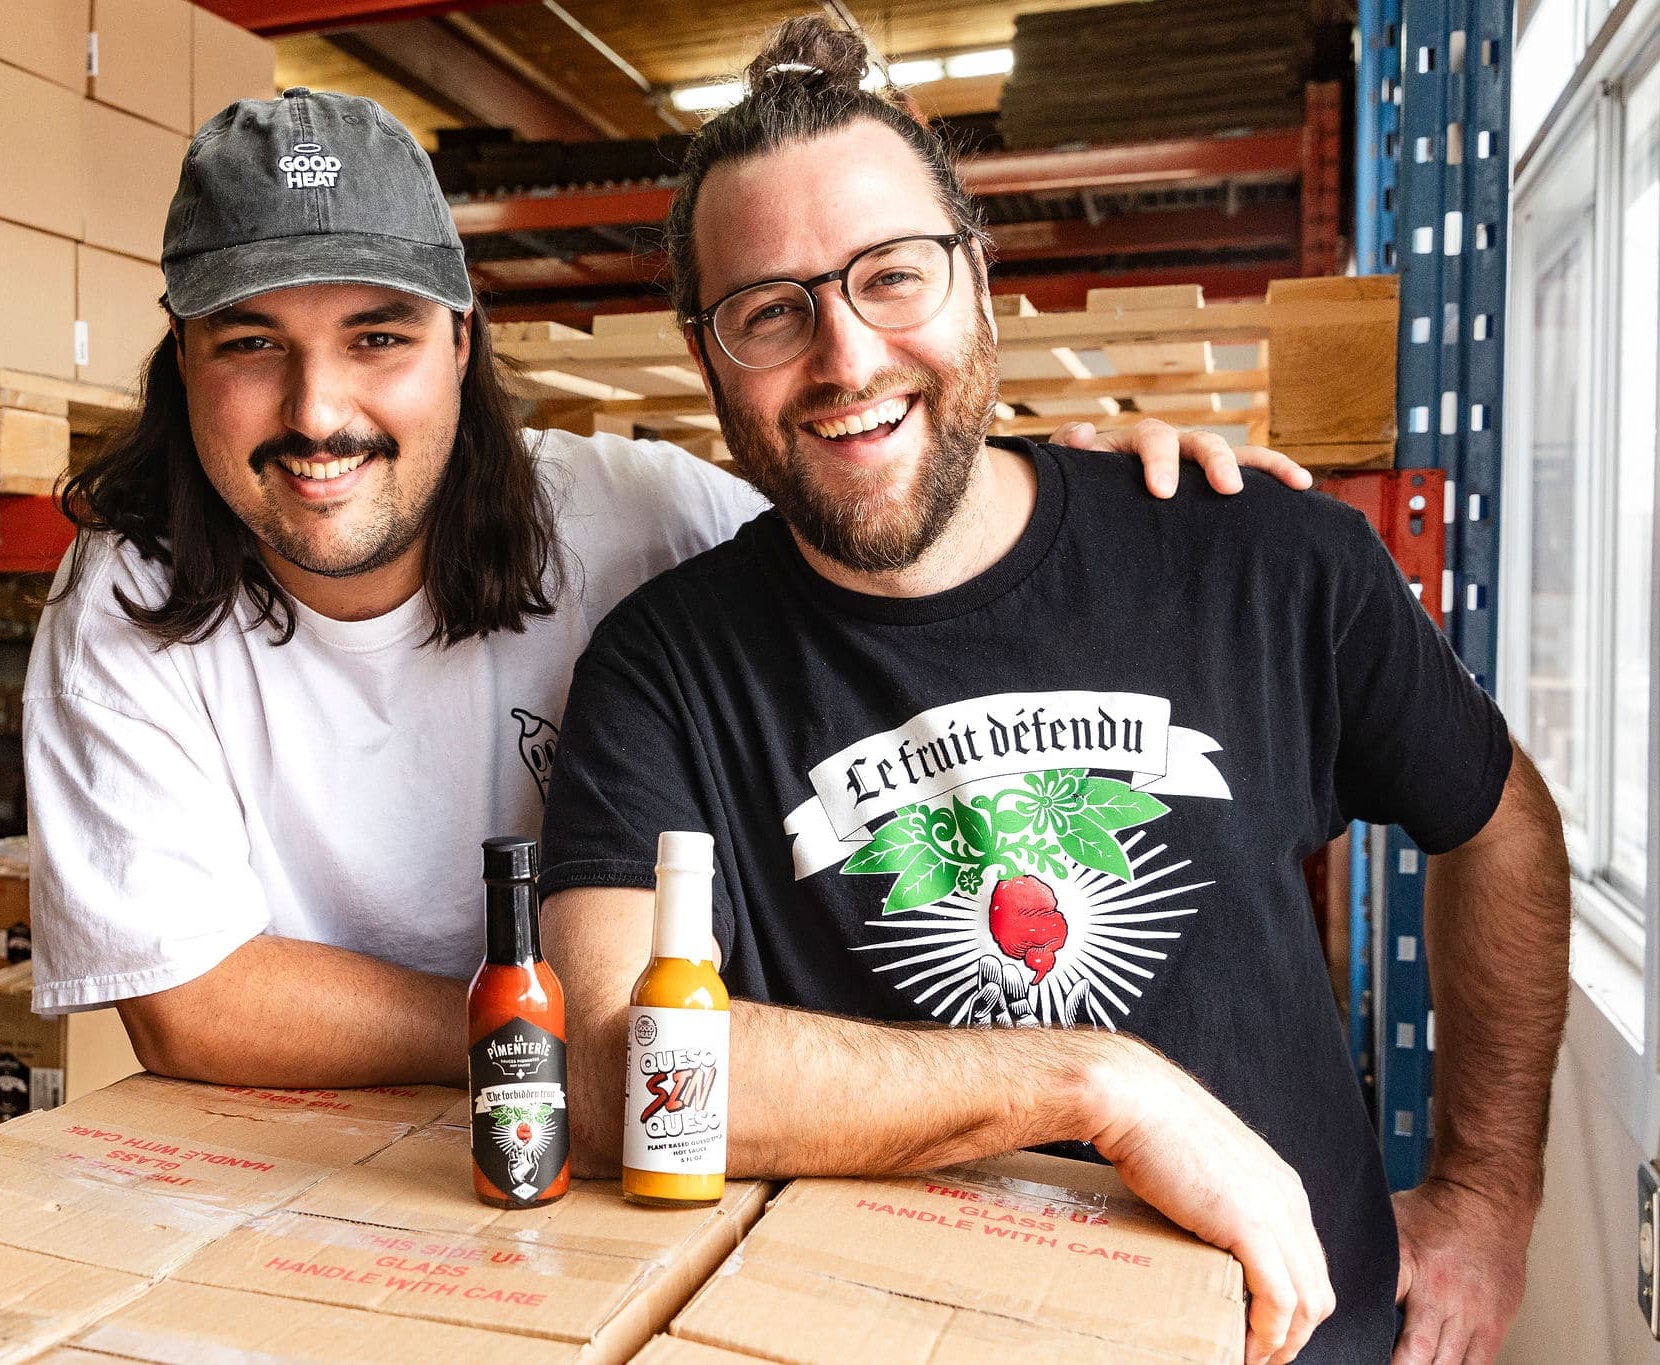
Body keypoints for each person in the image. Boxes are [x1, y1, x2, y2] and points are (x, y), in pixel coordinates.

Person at [536, 19, 1569, 1365]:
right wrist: (1092, 1083)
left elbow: (1498, 821)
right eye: (770, 311)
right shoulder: (665, 667)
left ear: (978, 277)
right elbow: (615, 1066)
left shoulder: (1261, 556)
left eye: (890, 277)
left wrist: (1486, 1196)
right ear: (705, 354)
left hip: (1291, 1338)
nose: (844, 359)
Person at [22, 93, 1303, 1095]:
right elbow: (192, 1003)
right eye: (251, 344)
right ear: (180, 360)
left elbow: (893, 544)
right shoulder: (124, 601)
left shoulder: (636, 518)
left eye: (378, 337)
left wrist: (1073, 499)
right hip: (377, 1140)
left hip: (657, 1127)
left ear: (461, 342)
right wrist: (571, 1040)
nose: (317, 413)